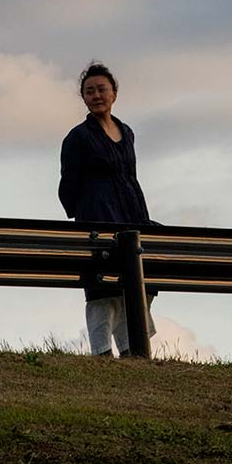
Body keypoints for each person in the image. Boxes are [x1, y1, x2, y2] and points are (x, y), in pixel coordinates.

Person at [58, 61, 157, 357]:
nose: (96, 95)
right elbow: (68, 184)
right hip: (97, 213)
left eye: (102, 89)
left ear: (114, 93)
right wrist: (86, 212)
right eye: (90, 91)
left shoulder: (127, 132)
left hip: (131, 212)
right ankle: (102, 351)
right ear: (84, 98)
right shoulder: (78, 137)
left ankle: (132, 346)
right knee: (102, 287)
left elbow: (131, 174)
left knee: (141, 277)